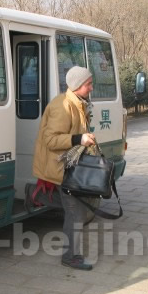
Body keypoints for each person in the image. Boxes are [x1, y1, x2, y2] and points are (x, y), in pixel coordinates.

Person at [32, 66, 97, 270]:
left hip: (69, 166)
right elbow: (50, 140)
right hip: (62, 169)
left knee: (77, 209)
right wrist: (80, 138)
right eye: (89, 84)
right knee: (76, 213)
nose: (91, 88)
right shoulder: (62, 105)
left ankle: (35, 197)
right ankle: (71, 257)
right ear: (78, 86)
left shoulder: (77, 103)